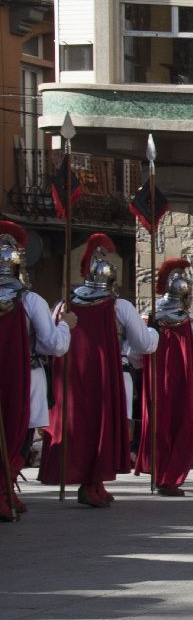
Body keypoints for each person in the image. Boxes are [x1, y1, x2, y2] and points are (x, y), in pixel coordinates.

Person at [38, 235, 158, 508]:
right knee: (99, 426)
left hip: (70, 378)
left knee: (77, 426)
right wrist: (154, 332)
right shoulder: (119, 306)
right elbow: (144, 344)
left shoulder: (63, 304)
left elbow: (50, 342)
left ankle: (92, 483)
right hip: (103, 374)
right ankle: (93, 483)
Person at [0, 220, 69, 520]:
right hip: (23, 378)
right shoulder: (29, 300)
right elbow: (54, 344)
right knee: (20, 437)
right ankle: (4, 492)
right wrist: (66, 325)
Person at [137, 259, 193, 496]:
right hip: (182, 381)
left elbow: (135, 351)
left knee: (159, 425)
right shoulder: (191, 320)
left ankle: (159, 474)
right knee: (179, 427)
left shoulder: (150, 316)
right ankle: (169, 478)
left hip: (155, 382)